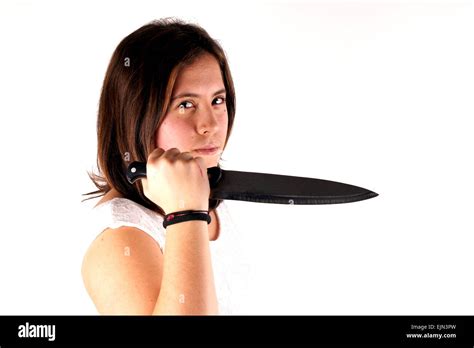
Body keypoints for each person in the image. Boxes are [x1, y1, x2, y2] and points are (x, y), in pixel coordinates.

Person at [81, 18, 244, 315]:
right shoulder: (121, 236)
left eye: (218, 100)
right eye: (185, 104)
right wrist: (186, 212)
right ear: (137, 114)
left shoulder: (204, 193)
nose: (210, 125)